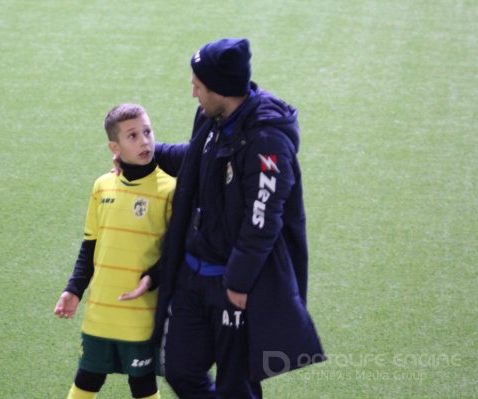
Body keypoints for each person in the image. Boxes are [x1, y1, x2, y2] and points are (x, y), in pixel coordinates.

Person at [150, 38, 326, 398]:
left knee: (237, 387)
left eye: (198, 85)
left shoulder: (267, 142)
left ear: (222, 89)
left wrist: (238, 282)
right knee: (180, 370)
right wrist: (149, 154)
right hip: (192, 275)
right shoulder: (213, 116)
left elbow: (262, 220)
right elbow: (200, 156)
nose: (193, 92)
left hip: (234, 289)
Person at [54, 103, 175, 399]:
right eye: (132, 136)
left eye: (147, 132)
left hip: (141, 314)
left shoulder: (170, 189)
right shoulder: (102, 186)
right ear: (114, 146)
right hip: (101, 312)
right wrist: (74, 289)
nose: (145, 141)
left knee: (143, 384)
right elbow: (90, 246)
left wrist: (153, 278)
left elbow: (176, 251)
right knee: (87, 378)